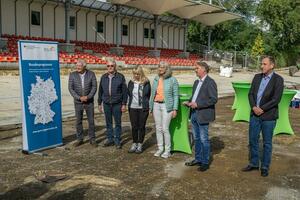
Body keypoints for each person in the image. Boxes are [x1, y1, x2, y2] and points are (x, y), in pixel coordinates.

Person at [242, 55, 284, 177]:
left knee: (267, 143)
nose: (262, 66)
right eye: (261, 64)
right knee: (253, 139)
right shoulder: (256, 77)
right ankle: (254, 163)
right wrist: (254, 107)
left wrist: (262, 109)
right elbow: (250, 94)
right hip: (254, 114)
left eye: (264, 64)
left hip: (269, 117)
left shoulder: (278, 80)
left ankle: (265, 166)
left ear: (272, 65)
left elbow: (276, 99)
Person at [184, 61, 218, 172]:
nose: (195, 70)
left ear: (204, 69)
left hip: (203, 114)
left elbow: (213, 99)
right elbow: (195, 97)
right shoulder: (196, 82)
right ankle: (198, 159)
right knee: (197, 138)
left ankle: (205, 162)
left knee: (204, 139)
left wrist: (198, 104)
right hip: (194, 113)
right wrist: (189, 102)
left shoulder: (210, 82)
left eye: (197, 68)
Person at [149, 61, 179, 159]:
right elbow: (152, 93)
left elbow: (176, 95)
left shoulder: (172, 80)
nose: (160, 69)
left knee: (165, 128)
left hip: (167, 106)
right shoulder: (156, 79)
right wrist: (151, 106)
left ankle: (167, 150)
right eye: (159, 67)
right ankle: (160, 148)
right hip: (156, 105)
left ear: (167, 69)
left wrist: (175, 109)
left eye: (162, 67)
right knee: (158, 128)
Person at [98, 58, 127, 149]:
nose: (110, 67)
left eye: (112, 66)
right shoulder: (103, 77)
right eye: (108, 66)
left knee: (117, 123)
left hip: (117, 104)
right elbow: (100, 91)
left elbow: (124, 92)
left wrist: (124, 104)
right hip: (106, 103)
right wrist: (99, 103)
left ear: (115, 66)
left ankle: (117, 139)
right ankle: (110, 138)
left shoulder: (120, 77)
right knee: (108, 122)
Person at [68, 59, 97, 147]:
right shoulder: (72, 75)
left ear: (84, 66)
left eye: (79, 66)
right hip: (78, 102)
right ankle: (80, 139)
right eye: (77, 66)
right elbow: (71, 88)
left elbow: (94, 87)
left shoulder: (91, 74)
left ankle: (92, 139)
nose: (78, 68)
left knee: (91, 121)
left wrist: (88, 97)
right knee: (78, 121)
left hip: (89, 102)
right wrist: (79, 98)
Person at [127, 65, 151, 153]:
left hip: (143, 108)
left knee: (141, 126)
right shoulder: (131, 82)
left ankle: (140, 144)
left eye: (137, 74)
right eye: (134, 74)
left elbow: (148, 95)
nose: (136, 75)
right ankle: (134, 143)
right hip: (133, 107)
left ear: (141, 73)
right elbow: (129, 94)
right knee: (134, 127)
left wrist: (146, 104)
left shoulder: (146, 82)